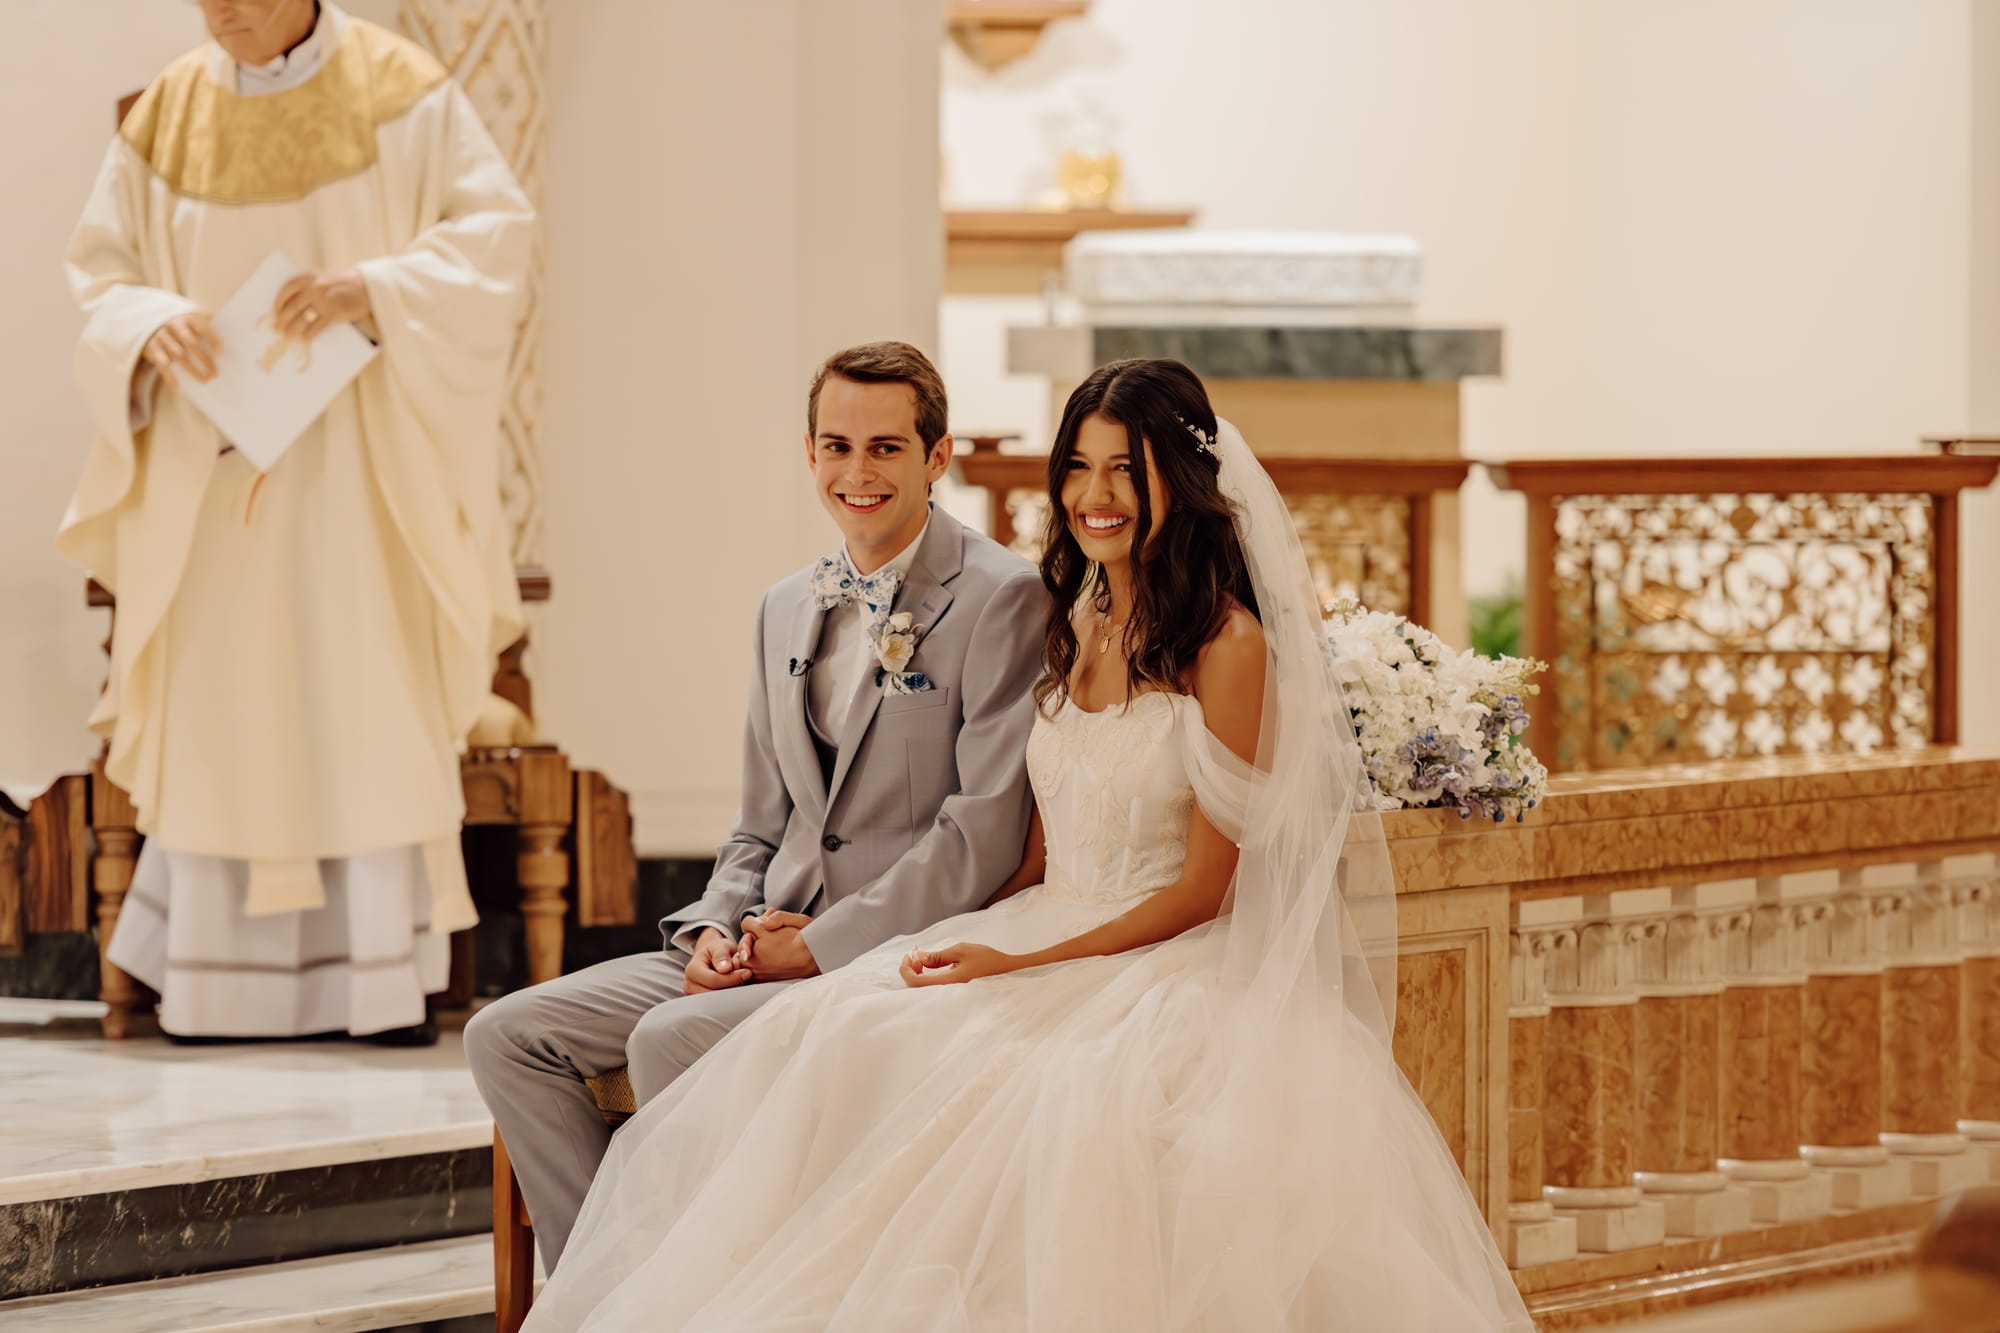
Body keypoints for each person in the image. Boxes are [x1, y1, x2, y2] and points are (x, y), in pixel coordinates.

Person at [522, 359, 1535, 1331]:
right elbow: (1041, 851)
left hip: (1160, 958)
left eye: (1125, 470)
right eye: (1078, 467)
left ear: (1181, 482)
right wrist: (949, 938)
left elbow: (1202, 891)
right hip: (1040, 920)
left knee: (1051, 1097)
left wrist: (1020, 962)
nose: (1096, 495)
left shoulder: (1229, 647)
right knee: (847, 1016)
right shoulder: (1076, 615)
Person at [465, 341, 1046, 1269]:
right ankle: (604, 1290)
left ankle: (690, 1290)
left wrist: (819, 945)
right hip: (760, 939)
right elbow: (758, 824)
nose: (857, 472)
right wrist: (711, 929)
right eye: (837, 445)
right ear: (809, 452)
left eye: (887, 447)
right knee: (506, 1034)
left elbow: (979, 833)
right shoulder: (784, 606)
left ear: (937, 456)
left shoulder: (1003, 596)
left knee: (669, 1038)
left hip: (887, 954)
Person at [62, 0, 533, 1043]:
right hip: (211, 476)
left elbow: (494, 239)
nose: (220, 10)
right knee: (228, 712)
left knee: (358, 701)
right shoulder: (170, 110)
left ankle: (377, 987)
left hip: (360, 472)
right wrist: (150, 323)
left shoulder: (402, 89)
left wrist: (373, 286)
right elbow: (100, 272)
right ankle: (217, 988)